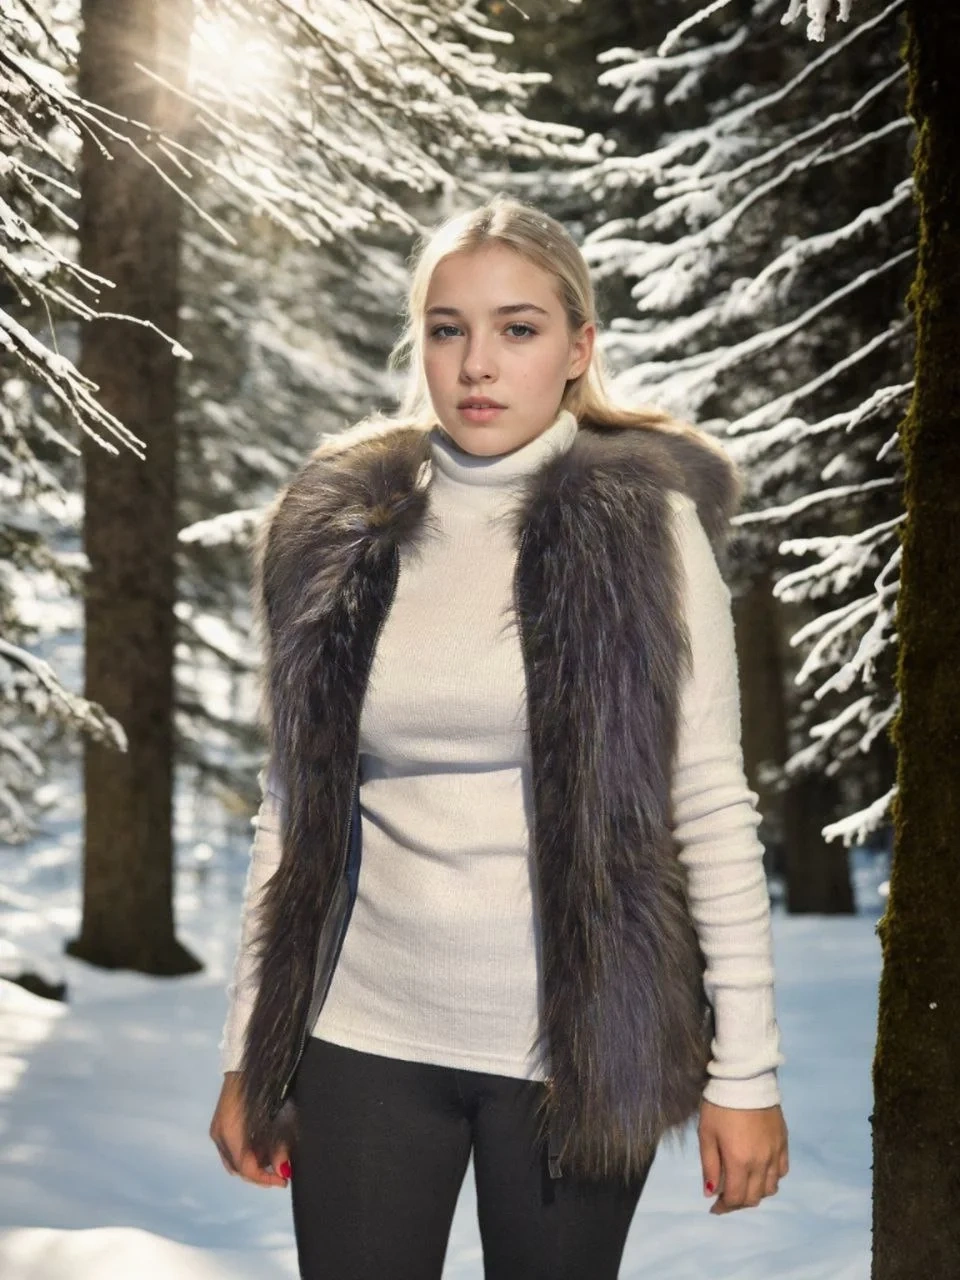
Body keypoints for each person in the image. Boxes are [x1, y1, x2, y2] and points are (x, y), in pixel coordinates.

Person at [209, 193, 789, 1279]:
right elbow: (291, 813)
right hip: (359, 1042)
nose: (477, 363)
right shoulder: (339, 529)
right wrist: (253, 1049)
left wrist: (745, 1072)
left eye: (517, 328)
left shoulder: (646, 529)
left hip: (577, 1058)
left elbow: (710, 805)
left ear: (578, 348)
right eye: (448, 328)